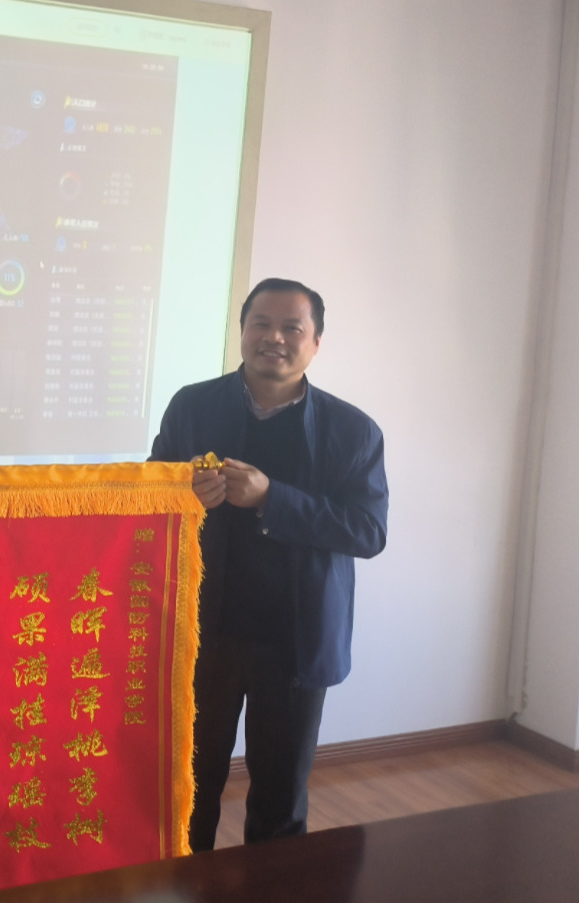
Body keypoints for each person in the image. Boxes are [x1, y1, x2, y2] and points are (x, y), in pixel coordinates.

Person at [149, 277, 388, 851]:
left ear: (316, 342)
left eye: (291, 328)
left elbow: (368, 530)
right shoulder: (192, 405)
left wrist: (271, 498)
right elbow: (149, 493)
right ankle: (182, 884)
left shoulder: (352, 430)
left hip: (295, 642)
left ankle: (275, 888)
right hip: (202, 633)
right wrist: (180, 493)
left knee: (280, 798)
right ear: (242, 331)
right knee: (187, 788)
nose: (273, 338)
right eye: (261, 323)